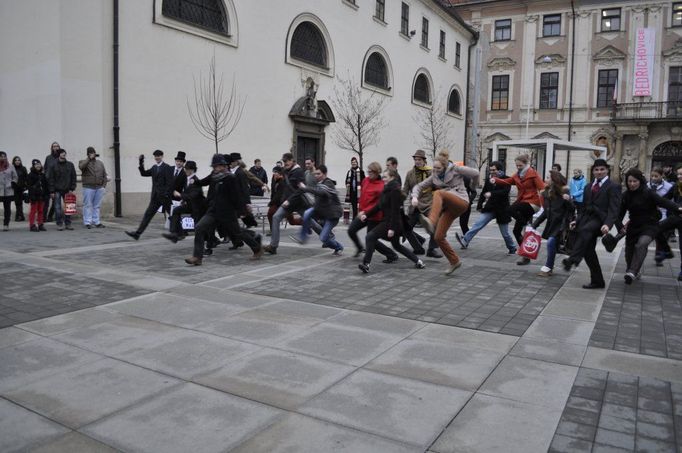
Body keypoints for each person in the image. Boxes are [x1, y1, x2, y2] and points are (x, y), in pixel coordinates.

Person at [185, 154, 262, 265]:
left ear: (224, 166)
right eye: (215, 166)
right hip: (213, 211)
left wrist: (242, 211)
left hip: (227, 213)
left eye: (219, 166)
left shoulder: (230, 178)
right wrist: (195, 182)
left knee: (238, 233)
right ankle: (197, 257)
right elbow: (204, 181)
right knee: (199, 228)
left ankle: (257, 249)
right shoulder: (214, 175)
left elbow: (237, 196)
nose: (217, 168)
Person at [411, 151, 480, 275]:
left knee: (438, 193)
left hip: (461, 201)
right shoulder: (435, 175)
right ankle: (454, 261)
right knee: (438, 236)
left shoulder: (455, 169)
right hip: (450, 208)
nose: (436, 170)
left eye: (438, 168)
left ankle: (431, 221)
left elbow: (476, 173)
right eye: (434, 168)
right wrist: (415, 197)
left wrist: (473, 187)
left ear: (444, 166)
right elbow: (418, 186)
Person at [562, 159, 622, 289]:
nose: (599, 172)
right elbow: (583, 208)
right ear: (593, 171)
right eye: (596, 169)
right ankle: (598, 281)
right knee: (588, 251)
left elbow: (614, 209)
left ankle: (573, 259)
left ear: (607, 171)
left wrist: (608, 224)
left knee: (585, 231)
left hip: (601, 220)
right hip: (586, 218)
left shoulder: (613, 186)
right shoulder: (588, 186)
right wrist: (576, 220)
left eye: (602, 169)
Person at [615, 168, 681, 284]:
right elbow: (619, 214)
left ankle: (632, 272)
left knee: (642, 243)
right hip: (634, 226)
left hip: (650, 224)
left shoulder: (648, 192)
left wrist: (678, 208)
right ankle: (634, 269)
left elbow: (663, 202)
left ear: (640, 181)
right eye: (629, 181)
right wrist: (620, 227)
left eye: (634, 181)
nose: (632, 184)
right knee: (629, 253)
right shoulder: (625, 195)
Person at [359, 168, 425, 273]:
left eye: (385, 177)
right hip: (389, 222)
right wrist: (366, 215)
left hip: (392, 223)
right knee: (396, 246)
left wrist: (392, 228)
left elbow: (395, 211)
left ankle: (366, 264)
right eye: (383, 176)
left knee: (370, 236)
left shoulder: (394, 190)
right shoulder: (386, 189)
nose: (383, 178)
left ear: (392, 177)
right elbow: (378, 206)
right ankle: (419, 262)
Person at [264, 153, 326, 255]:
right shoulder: (285, 171)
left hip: (298, 202)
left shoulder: (299, 172)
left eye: (287, 161)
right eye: (284, 161)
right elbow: (283, 185)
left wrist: (289, 200)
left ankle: (327, 237)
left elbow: (300, 190)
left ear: (292, 160)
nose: (285, 163)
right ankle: (273, 246)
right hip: (287, 203)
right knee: (276, 217)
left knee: (311, 222)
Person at [492, 154, 545, 265]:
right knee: (516, 231)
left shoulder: (532, 173)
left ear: (526, 164)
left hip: (533, 203)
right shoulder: (518, 175)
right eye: (517, 166)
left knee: (510, 209)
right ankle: (526, 256)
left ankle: (525, 223)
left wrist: (547, 200)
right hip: (523, 202)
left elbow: (542, 187)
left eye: (520, 165)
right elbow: (508, 181)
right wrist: (495, 180)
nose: (518, 167)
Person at [455, 161, 516, 254]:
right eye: (490, 170)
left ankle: (512, 247)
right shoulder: (489, 179)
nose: (492, 172)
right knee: (477, 224)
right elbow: (484, 192)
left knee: (505, 234)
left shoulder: (507, 179)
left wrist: (492, 194)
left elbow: (505, 192)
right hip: (490, 208)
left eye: (494, 170)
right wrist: (479, 205)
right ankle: (465, 241)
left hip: (502, 209)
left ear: (499, 170)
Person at [349, 161, 399, 262]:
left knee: (371, 239)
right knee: (351, 230)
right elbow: (363, 197)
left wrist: (366, 212)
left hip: (374, 216)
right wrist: (360, 210)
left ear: (377, 172)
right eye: (368, 171)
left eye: (371, 172)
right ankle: (359, 247)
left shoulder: (381, 185)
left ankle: (391, 254)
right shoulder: (365, 180)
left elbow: (378, 204)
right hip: (363, 214)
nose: (369, 173)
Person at [294, 164, 344, 254]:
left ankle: (338, 246)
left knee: (323, 238)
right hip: (322, 211)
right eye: (315, 174)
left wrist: (306, 188)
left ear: (324, 174)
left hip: (332, 215)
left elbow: (321, 192)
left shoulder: (328, 183)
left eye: (319, 174)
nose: (316, 176)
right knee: (306, 213)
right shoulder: (319, 184)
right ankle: (303, 237)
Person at [532, 171, 574, 276]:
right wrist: (534, 225)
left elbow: (572, 209)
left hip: (561, 224)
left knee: (551, 242)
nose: (545, 179)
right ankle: (550, 266)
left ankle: (548, 267)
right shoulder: (546, 193)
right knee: (553, 244)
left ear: (554, 180)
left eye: (547, 177)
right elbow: (546, 212)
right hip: (552, 223)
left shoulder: (564, 191)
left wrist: (568, 200)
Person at [125, 150, 174, 240]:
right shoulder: (154, 168)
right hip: (155, 197)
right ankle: (137, 234)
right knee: (148, 215)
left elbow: (169, 182)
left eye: (158, 156)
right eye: (155, 156)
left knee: (172, 214)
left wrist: (167, 194)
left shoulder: (167, 167)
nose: (157, 157)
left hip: (164, 197)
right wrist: (141, 162)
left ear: (162, 156)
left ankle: (178, 232)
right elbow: (143, 173)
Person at [402, 150, 441, 257]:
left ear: (424, 160)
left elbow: (438, 187)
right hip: (414, 206)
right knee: (406, 228)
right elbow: (405, 189)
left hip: (428, 204)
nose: (417, 161)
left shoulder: (431, 172)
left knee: (435, 225)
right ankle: (418, 248)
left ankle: (432, 249)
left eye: (419, 159)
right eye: (415, 159)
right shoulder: (410, 174)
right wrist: (399, 198)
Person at [163, 160, 206, 243]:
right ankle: (175, 234)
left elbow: (192, 196)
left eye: (187, 169)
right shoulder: (188, 179)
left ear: (192, 170)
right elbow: (187, 192)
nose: (185, 170)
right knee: (176, 211)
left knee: (199, 228)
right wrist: (183, 199)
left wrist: (180, 195)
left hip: (198, 207)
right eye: (185, 169)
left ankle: (212, 241)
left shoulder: (195, 180)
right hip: (190, 205)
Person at [654, 165, 682, 280]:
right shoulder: (676, 186)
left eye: (681, 174)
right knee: (655, 229)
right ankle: (666, 251)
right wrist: (653, 203)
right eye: (679, 174)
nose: (679, 176)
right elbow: (664, 198)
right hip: (674, 216)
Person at [47, 149, 77, 231]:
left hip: (68, 189)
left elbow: (73, 177)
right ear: (59, 154)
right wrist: (52, 191)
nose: (64, 154)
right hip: (57, 190)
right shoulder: (53, 165)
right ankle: (59, 223)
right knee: (57, 207)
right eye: (62, 153)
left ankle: (68, 223)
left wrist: (72, 188)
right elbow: (51, 179)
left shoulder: (70, 165)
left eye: (64, 153)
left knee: (69, 207)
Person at [79, 146, 109, 229]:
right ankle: (87, 222)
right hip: (88, 187)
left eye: (93, 153)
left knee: (97, 206)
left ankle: (97, 222)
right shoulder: (83, 162)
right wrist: (88, 159)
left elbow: (104, 175)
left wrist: (103, 186)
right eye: (90, 153)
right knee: (87, 205)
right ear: (88, 154)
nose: (93, 154)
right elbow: (81, 167)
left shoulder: (100, 163)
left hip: (99, 187)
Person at [267, 166, 301, 232]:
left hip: (283, 203)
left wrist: (271, 202)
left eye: (276, 172)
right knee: (271, 214)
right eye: (274, 172)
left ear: (280, 173)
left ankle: (306, 223)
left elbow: (279, 195)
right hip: (277, 203)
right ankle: (273, 230)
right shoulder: (274, 180)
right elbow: (273, 192)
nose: (274, 174)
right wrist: (271, 202)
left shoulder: (283, 182)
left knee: (292, 221)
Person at [26, 159, 48, 232]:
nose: (38, 166)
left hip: (41, 196)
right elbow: (29, 186)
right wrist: (32, 196)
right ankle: (32, 225)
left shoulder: (42, 175)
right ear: (33, 166)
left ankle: (40, 224)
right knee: (33, 211)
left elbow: (45, 186)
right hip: (34, 196)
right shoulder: (30, 175)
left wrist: (46, 195)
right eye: (36, 164)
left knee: (41, 210)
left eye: (39, 164)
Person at [43, 141, 61, 222]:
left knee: (55, 202)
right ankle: (44, 217)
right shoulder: (48, 158)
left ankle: (50, 216)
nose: (56, 148)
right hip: (47, 182)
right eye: (54, 146)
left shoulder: (61, 157)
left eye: (57, 146)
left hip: (57, 183)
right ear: (52, 148)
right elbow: (45, 168)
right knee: (46, 202)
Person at [0, 151, 18, 231]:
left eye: (4, 156)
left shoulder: (11, 166)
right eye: (1, 156)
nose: (3, 158)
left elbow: (15, 176)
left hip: (8, 190)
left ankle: (6, 224)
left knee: (7, 208)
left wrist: (13, 183)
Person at [11, 156, 27, 221]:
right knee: (17, 203)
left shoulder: (23, 168)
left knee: (20, 203)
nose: (17, 161)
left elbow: (26, 178)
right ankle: (20, 216)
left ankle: (19, 216)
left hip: (22, 188)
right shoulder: (11, 169)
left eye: (18, 160)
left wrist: (26, 186)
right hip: (14, 188)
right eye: (16, 160)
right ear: (14, 161)